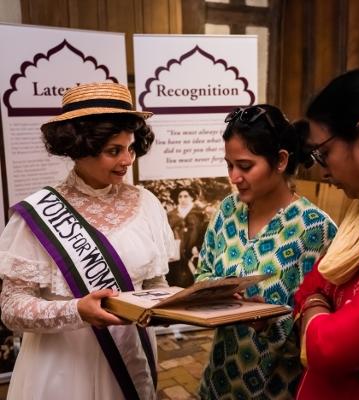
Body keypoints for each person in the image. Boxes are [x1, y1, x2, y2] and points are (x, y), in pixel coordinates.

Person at [0, 82, 175, 400]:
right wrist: (76, 310)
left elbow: (156, 281)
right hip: (63, 366)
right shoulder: (38, 213)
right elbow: (10, 308)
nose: (128, 160)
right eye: (114, 151)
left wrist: (171, 306)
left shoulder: (145, 203)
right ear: (79, 148)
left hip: (129, 352)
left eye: (131, 148)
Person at [195, 104, 337, 399]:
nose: (234, 177)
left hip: (278, 388)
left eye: (245, 166)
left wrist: (269, 322)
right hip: (219, 382)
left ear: (281, 160)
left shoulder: (315, 229)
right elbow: (204, 272)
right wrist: (216, 296)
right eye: (229, 165)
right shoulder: (227, 210)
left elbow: (326, 325)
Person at [294, 68, 359, 400]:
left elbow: (329, 347)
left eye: (323, 153)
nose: (322, 170)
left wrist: (316, 311)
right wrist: (316, 304)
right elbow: (310, 287)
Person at [167, 186, 207, 287]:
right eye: (180, 197)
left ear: (192, 198)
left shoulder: (199, 214)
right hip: (176, 254)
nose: (182, 199)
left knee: (192, 282)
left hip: (193, 253)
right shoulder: (171, 215)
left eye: (185, 196)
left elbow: (204, 232)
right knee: (176, 282)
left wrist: (198, 247)